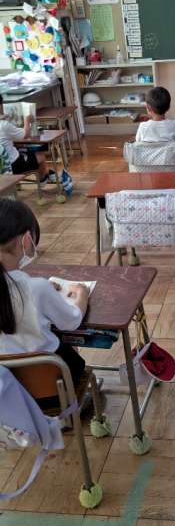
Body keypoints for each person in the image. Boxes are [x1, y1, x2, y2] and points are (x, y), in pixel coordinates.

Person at [0, 198, 89, 390]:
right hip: (52, 384)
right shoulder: (37, 288)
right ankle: (77, 401)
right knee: (66, 346)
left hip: (9, 387)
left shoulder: (37, 287)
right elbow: (72, 321)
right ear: (26, 240)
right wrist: (82, 294)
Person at [0, 111, 54, 184]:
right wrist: (27, 120)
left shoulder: (4, 124)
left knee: (22, 149)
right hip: (11, 166)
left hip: (3, 165)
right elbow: (26, 134)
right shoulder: (4, 125)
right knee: (40, 156)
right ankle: (43, 179)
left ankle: (46, 172)